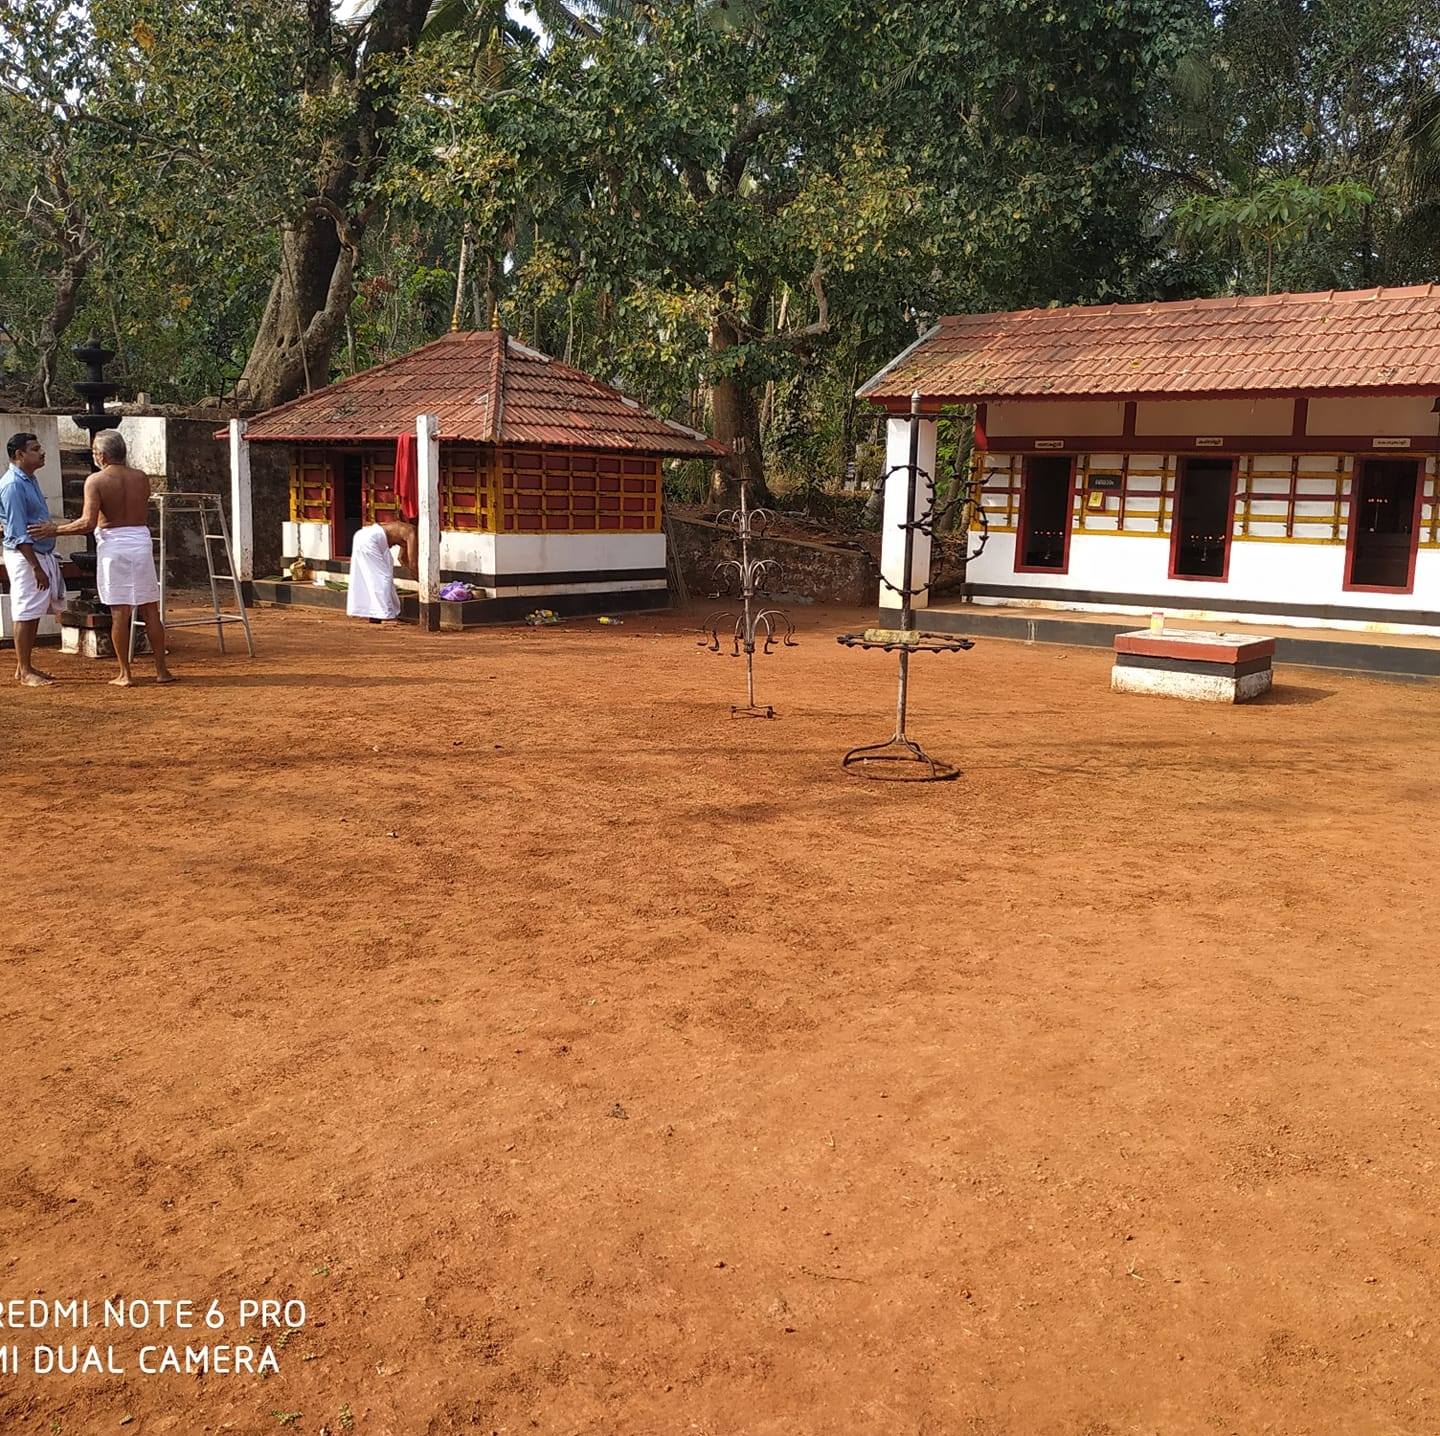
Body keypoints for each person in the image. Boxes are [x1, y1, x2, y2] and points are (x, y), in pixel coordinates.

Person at [28, 429, 175, 687]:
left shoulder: (96, 481)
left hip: (115, 545)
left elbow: (87, 522)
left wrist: (55, 530)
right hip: (140, 542)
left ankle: (125, 673)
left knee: (120, 612)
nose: (95, 455)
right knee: (150, 609)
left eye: (96, 451)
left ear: (102, 455)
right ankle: (161, 671)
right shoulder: (141, 477)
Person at [1, 431, 66, 686]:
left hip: (39, 553)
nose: (42, 452)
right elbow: (18, 533)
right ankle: (25, 671)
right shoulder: (14, 485)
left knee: (33, 611)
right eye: (36, 448)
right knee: (26, 611)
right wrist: (36, 568)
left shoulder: (29, 479)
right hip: (26, 556)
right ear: (20, 455)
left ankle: (23, 666)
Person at [346, 518, 417, 623]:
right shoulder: (412, 532)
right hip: (371, 539)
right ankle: (386, 616)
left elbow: (402, 558)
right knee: (382, 578)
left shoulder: (406, 532)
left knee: (374, 577)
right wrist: (426, 585)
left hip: (364, 535)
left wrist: (414, 573)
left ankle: (376, 613)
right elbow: (413, 563)